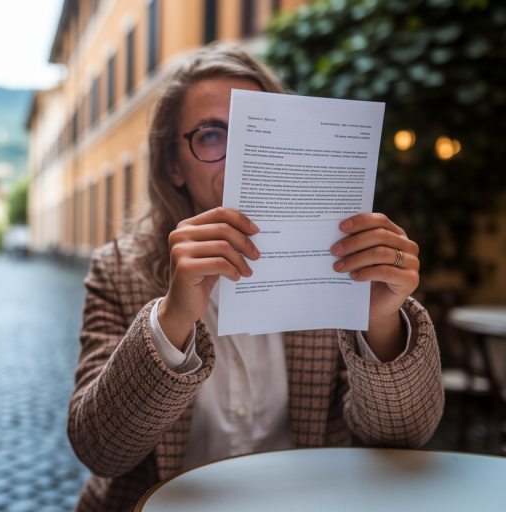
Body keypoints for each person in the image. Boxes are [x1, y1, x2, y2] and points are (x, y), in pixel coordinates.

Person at [67, 43, 443, 512]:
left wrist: (383, 324)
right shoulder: (118, 269)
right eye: (213, 135)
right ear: (172, 166)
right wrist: (172, 319)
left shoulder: (340, 262)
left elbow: (405, 437)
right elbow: (100, 449)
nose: (242, 154)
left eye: (259, 131)